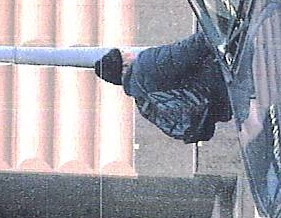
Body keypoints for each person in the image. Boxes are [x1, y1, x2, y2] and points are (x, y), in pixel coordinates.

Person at [95, 35, 232, 146]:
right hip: (226, 78)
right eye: (124, 54)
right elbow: (188, 51)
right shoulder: (144, 64)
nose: (130, 52)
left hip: (227, 103)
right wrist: (214, 29)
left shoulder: (144, 103)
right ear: (124, 66)